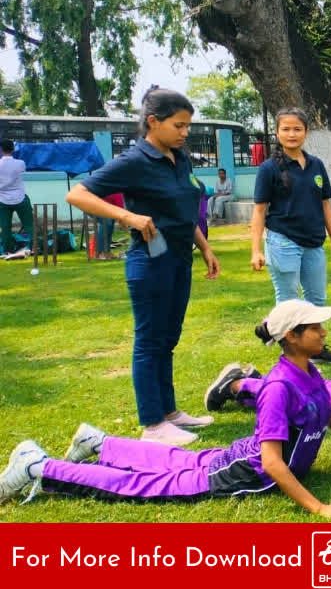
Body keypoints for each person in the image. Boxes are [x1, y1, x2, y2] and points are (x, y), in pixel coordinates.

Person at [0, 301, 331, 514]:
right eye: (316, 328)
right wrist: (318, 509)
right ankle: (38, 465)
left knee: (178, 459)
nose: (324, 333)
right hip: (240, 471)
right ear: (291, 336)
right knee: (145, 486)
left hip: (234, 458)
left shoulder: (310, 374)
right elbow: (270, 462)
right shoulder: (278, 388)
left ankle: (99, 442)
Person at [63, 87, 221, 446]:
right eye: (178, 126)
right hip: (149, 262)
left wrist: (206, 249)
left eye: (187, 126)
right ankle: (152, 424)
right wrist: (126, 215)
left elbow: (184, 210)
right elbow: (78, 194)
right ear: (153, 122)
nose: (184, 133)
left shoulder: (181, 159)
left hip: (180, 259)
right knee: (150, 340)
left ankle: (169, 412)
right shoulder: (134, 161)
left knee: (168, 338)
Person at [250, 108, 331, 363]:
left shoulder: (316, 165)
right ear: (277, 132)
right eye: (286, 129)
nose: (291, 134)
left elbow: (325, 204)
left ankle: (316, 349)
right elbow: (259, 211)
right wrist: (256, 250)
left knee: (317, 299)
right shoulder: (269, 168)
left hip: (314, 242)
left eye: (297, 129)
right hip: (283, 241)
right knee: (289, 301)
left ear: (306, 131)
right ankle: (292, 357)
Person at [0, 139, 33, 255]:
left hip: (3, 200)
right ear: (13, 149)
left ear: (1, 149)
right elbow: (22, 170)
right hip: (20, 198)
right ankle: (33, 247)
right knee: (29, 225)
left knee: (5, 227)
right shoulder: (20, 163)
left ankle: (7, 250)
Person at [94, 193, 125, 260]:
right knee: (106, 223)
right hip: (89, 202)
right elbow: (121, 214)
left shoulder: (121, 194)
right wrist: (124, 224)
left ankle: (107, 252)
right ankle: (100, 253)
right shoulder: (120, 195)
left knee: (110, 224)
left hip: (104, 206)